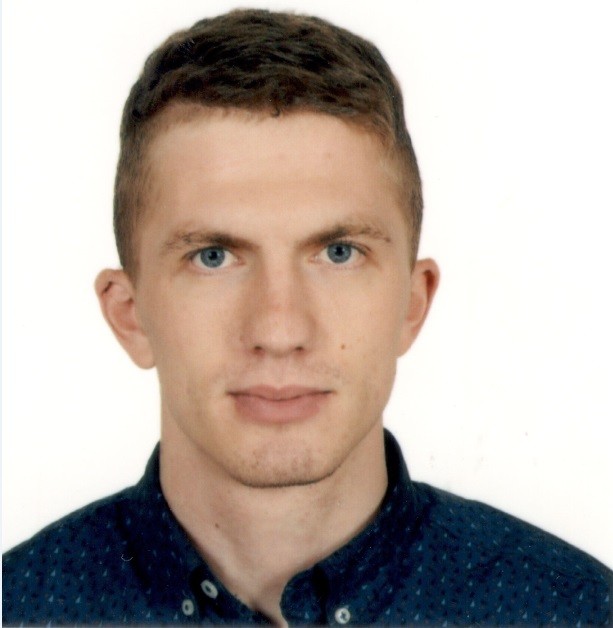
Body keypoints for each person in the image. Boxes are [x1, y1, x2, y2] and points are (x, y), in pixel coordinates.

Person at [2, 8, 611, 626]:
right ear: (129, 315)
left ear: (412, 303)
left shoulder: (575, 612)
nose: (280, 330)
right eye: (213, 257)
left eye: (339, 253)